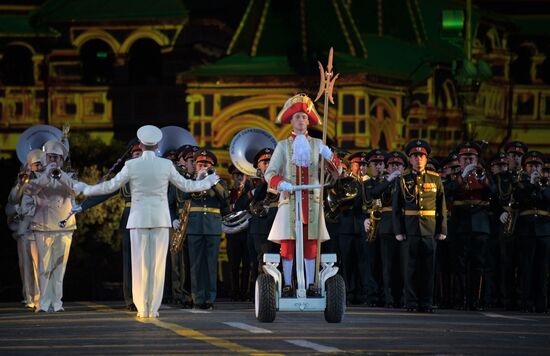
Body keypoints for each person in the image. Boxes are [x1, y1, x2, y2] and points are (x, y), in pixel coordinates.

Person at [74, 125, 219, 318]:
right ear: (157, 144)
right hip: (160, 218)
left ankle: (142, 307)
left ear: (141, 144)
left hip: (137, 219)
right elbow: (187, 185)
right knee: (158, 265)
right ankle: (153, 308)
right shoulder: (166, 165)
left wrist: (86, 189)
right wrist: (206, 183)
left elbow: (110, 186)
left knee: (139, 264)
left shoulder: (131, 165)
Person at [264, 93, 341, 297]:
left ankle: (311, 285)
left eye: (304, 117)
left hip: (312, 203)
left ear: (308, 121)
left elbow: (337, 172)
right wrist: (282, 183)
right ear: (291, 120)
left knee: (311, 246)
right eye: (297, 116)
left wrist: (330, 156)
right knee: (288, 245)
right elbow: (269, 173)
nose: (301, 120)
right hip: (289, 202)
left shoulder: (317, 144)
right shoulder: (282, 146)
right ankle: (288, 284)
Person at [23, 140, 78, 312]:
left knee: (59, 267)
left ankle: (57, 302)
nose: (52, 160)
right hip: (43, 225)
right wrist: (47, 176)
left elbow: (76, 190)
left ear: (61, 161)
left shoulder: (69, 176)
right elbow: (29, 191)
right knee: (44, 267)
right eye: (49, 157)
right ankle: (44, 303)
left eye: (56, 157)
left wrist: (60, 175)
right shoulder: (37, 177)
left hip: (64, 226)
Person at [392, 139, 447, 312]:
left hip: (429, 229)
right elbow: (396, 208)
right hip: (410, 229)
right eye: (415, 156)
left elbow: (441, 206)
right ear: (410, 159)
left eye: (421, 156)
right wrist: (398, 230)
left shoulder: (435, 179)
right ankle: (411, 302)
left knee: (428, 269)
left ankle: (426, 302)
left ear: (426, 158)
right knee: (410, 269)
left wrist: (442, 229)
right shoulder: (403, 179)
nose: (418, 159)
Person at [179, 149, 229, 309]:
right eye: (200, 164)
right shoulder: (190, 181)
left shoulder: (220, 183)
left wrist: (212, 182)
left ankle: (209, 299)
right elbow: (183, 196)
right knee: (195, 265)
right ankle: (198, 298)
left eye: (206, 165)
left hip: (212, 227)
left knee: (210, 265)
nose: (203, 167)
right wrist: (198, 182)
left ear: (212, 166)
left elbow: (224, 198)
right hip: (194, 226)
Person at [7, 149, 44, 309]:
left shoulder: (44, 180)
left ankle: (40, 297)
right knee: (25, 264)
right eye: (28, 168)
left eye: (34, 166)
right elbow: (11, 203)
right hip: (24, 229)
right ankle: (29, 297)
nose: (31, 170)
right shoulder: (21, 184)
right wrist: (21, 184)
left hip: (40, 226)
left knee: (40, 264)